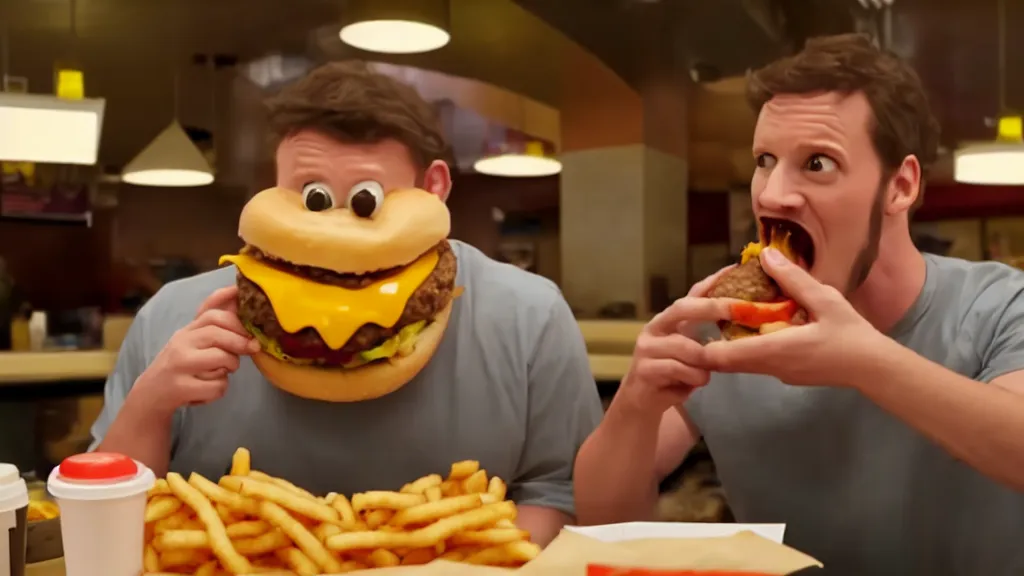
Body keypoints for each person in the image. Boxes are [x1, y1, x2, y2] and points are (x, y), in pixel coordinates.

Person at [91, 61, 603, 546]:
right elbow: (96, 516)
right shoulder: (173, 316)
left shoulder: (530, 317)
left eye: (365, 198)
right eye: (311, 195)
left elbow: (558, 495)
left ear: (433, 188)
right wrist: (150, 405)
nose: (333, 230)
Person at [575, 33, 1024, 575]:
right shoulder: (728, 329)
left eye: (817, 163)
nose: (771, 195)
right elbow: (604, 525)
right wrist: (634, 404)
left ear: (900, 186)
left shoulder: (998, 304)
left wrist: (864, 363)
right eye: (765, 160)